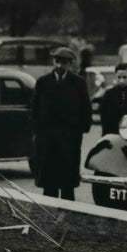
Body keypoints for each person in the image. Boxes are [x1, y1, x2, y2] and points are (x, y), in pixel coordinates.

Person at [31, 46, 93, 200]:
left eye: (64, 62)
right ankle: (48, 216)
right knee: (49, 184)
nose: (59, 66)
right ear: (53, 61)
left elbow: (86, 110)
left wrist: (78, 131)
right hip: (47, 140)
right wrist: (38, 133)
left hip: (69, 140)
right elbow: (35, 110)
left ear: (70, 63)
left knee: (67, 185)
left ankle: (68, 217)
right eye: (57, 61)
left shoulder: (78, 83)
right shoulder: (42, 83)